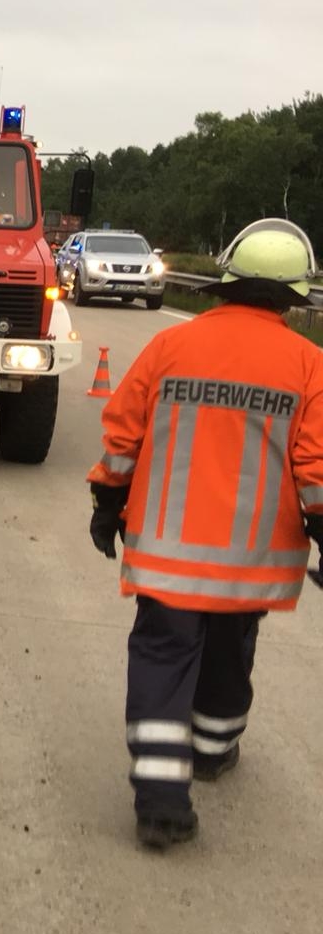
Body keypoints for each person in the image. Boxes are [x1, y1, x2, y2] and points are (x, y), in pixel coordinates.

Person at [86, 218, 323, 850]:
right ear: (294, 296)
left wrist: (107, 501)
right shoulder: (309, 364)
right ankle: (214, 750)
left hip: (166, 550)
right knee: (228, 649)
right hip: (253, 560)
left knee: (163, 656)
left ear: (226, 279)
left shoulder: (172, 345)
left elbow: (124, 433)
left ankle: (161, 801)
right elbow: (316, 467)